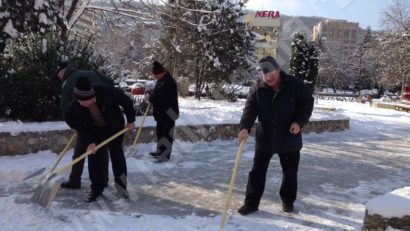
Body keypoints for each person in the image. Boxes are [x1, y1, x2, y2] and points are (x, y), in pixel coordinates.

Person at [237, 56, 314, 215]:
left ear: (278, 69)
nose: (268, 78)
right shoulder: (257, 88)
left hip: (289, 137)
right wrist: (245, 127)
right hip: (266, 137)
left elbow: (307, 103)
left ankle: (288, 202)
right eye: (265, 76)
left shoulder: (295, 85)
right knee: (257, 172)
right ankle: (251, 203)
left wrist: (299, 122)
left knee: (290, 173)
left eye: (271, 74)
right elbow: (250, 109)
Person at [65, 77, 136, 202]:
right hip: (95, 129)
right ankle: (96, 189)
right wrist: (90, 142)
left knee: (117, 156)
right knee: (93, 157)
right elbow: (81, 127)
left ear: (92, 96)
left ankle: (122, 188)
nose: (81, 103)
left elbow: (127, 103)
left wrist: (130, 120)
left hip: (114, 126)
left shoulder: (107, 91)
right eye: (79, 100)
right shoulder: (76, 105)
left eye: (84, 101)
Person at [56, 62, 113, 189]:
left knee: (80, 151)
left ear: (62, 71)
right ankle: (104, 180)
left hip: (86, 119)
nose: (59, 77)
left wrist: (76, 126)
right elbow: (110, 81)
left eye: (59, 75)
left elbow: (66, 110)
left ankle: (75, 180)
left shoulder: (67, 82)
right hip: (103, 118)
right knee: (101, 150)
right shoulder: (90, 72)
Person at [144, 61, 179, 163]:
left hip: (169, 113)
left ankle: (165, 155)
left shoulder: (168, 81)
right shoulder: (162, 79)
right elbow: (157, 92)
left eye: (156, 75)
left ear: (161, 73)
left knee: (167, 135)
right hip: (162, 113)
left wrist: (150, 98)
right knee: (160, 133)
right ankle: (160, 151)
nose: (155, 77)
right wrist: (151, 95)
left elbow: (162, 97)